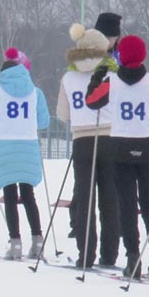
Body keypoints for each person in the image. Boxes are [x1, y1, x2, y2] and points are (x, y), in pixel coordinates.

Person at [86, 35, 149, 278]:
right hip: (147, 145)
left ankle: (132, 256)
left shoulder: (112, 82)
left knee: (126, 205)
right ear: (143, 56)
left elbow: (92, 101)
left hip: (119, 145)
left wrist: (97, 75)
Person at [57, 23, 121, 268]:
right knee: (110, 199)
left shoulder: (68, 77)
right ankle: (109, 253)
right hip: (110, 139)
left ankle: (86, 254)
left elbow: (63, 114)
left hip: (82, 141)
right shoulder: (112, 74)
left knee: (84, 198)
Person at [0, 48, 50, 259]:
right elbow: (43, 121)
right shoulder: (36, 93)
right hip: (28, 145)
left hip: (5, 146)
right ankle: (38, 239)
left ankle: (15, 242)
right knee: (28, 195)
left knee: (10, 195)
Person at [67, 11, 125, 240]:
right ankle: (78, 221)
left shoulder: (116, 55)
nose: (113, 41)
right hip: (95, 125)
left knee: (109, 182)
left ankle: (111, 224)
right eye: (111, 37)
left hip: (109, 126)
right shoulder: (95, 53)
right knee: (85, 183)